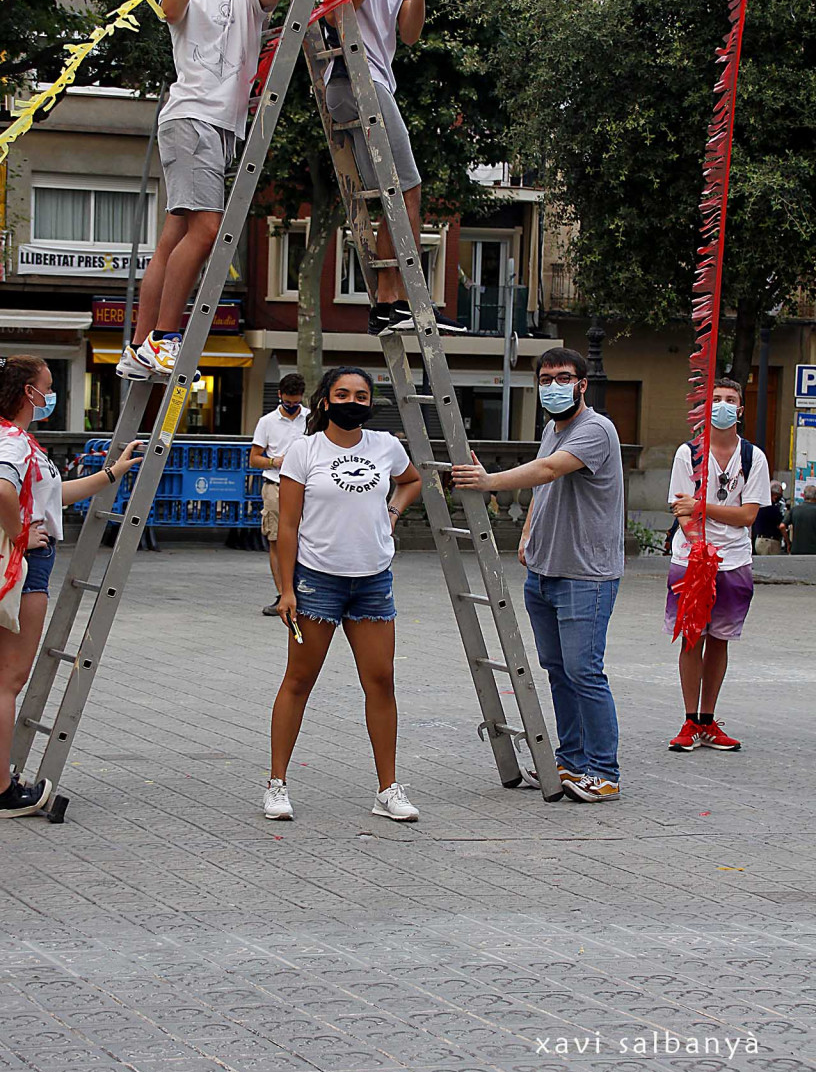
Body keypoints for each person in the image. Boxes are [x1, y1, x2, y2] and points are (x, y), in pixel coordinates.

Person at [0, 356, 142, 816]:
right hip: (21, 564)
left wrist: (111, 473)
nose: (50, 396)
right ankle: (1, 792)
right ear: (28, 393)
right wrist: (20, 532)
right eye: (47, 387)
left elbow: (50, 496)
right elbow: (1, 489)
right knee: (6, 681)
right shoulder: (14, 441)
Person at [117, 0, 294, 380]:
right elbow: (170, 7)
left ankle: (139, 346)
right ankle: (164, 337)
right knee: (208, 230)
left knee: (175, 236)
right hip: (193, 118)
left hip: (218, 126)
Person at [452, 348, 624, 804]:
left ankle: (604, 772)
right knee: (559, 672)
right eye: (545, 379)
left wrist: (489, 481)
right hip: (545, 572)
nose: (553, 387)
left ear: (582, 384)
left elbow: (548, 469)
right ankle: (571, 760)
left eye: (563, 378)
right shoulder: (552, 429)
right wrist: (529, 533)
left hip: (586, 575)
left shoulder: (596, 430)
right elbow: (545, 485)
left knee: (584, 672)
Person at [263, 366, 423, 821]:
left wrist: (393, 512)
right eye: (342, 394)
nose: (352, 402)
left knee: (381, 682)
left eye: (361, 396)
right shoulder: (304, 450)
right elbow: (288, 526)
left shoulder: (385, 446)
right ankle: (277, 784)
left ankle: (388, 789)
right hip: (318, 581)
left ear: (370, 403)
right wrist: (286, 590)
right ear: (326, 401)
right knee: (299, 681)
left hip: (373, 581)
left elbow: (411, 480)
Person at [324, 0, 464, 337]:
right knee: (408, 190)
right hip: (353, 77)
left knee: (394, 192)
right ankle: (399, 300)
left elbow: (409, 33)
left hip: (377, 81)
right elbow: (340, 14)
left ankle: (386, 308)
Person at [665, 377, 770, 753]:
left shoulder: (753, 458)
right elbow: (681, 510)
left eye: (730, 400)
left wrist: (702, 507)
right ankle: (690, 719)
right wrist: (698, 545)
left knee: (720, 639)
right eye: (716, 399)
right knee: (691, 638)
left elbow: (747, 515)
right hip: (692, 561)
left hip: (734, 560)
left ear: (740, 409)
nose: (723, 406)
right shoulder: (688, 454)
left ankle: (708, 718)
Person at [250, 373, 309, 616]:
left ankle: (305, 591)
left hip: (306, 486)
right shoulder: (267, 422)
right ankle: (283, 593)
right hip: (276, 483)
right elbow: (254, 458)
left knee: (306, 538)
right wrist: (275, 461)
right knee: (277, 540)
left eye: (296, 403)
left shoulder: (311, 418)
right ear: (279, 396)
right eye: (287, 402)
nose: (292, 406)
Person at [753, 480, 788, 554]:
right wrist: (787, 541)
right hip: (770, 542)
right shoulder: (773, 509)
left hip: (759, 540)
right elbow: (781, 526)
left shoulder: (760, 505)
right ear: (775, 496)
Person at [787, 483, 816, 554]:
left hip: (796, 550)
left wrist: (788, 542)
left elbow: (782, 526)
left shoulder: (795, 509)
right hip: (813, 551)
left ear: (803, 496)